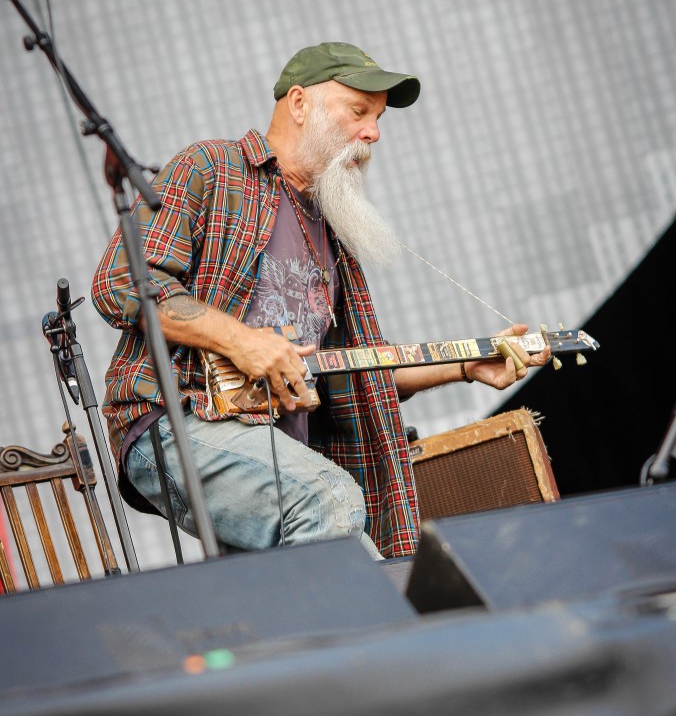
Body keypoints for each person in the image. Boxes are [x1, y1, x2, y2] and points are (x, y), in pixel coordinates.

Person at [92, 41, 550, 559]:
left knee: (369, 567)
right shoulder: (213, 169)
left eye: (377, 119)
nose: (373, 132)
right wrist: (240, 340)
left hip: (278, 447)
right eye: (359, 111)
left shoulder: (331, 229)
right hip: (176, 417)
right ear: (300, 104)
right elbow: (121, 283)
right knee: (330, 499)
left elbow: (355, 372)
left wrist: (467, 366)